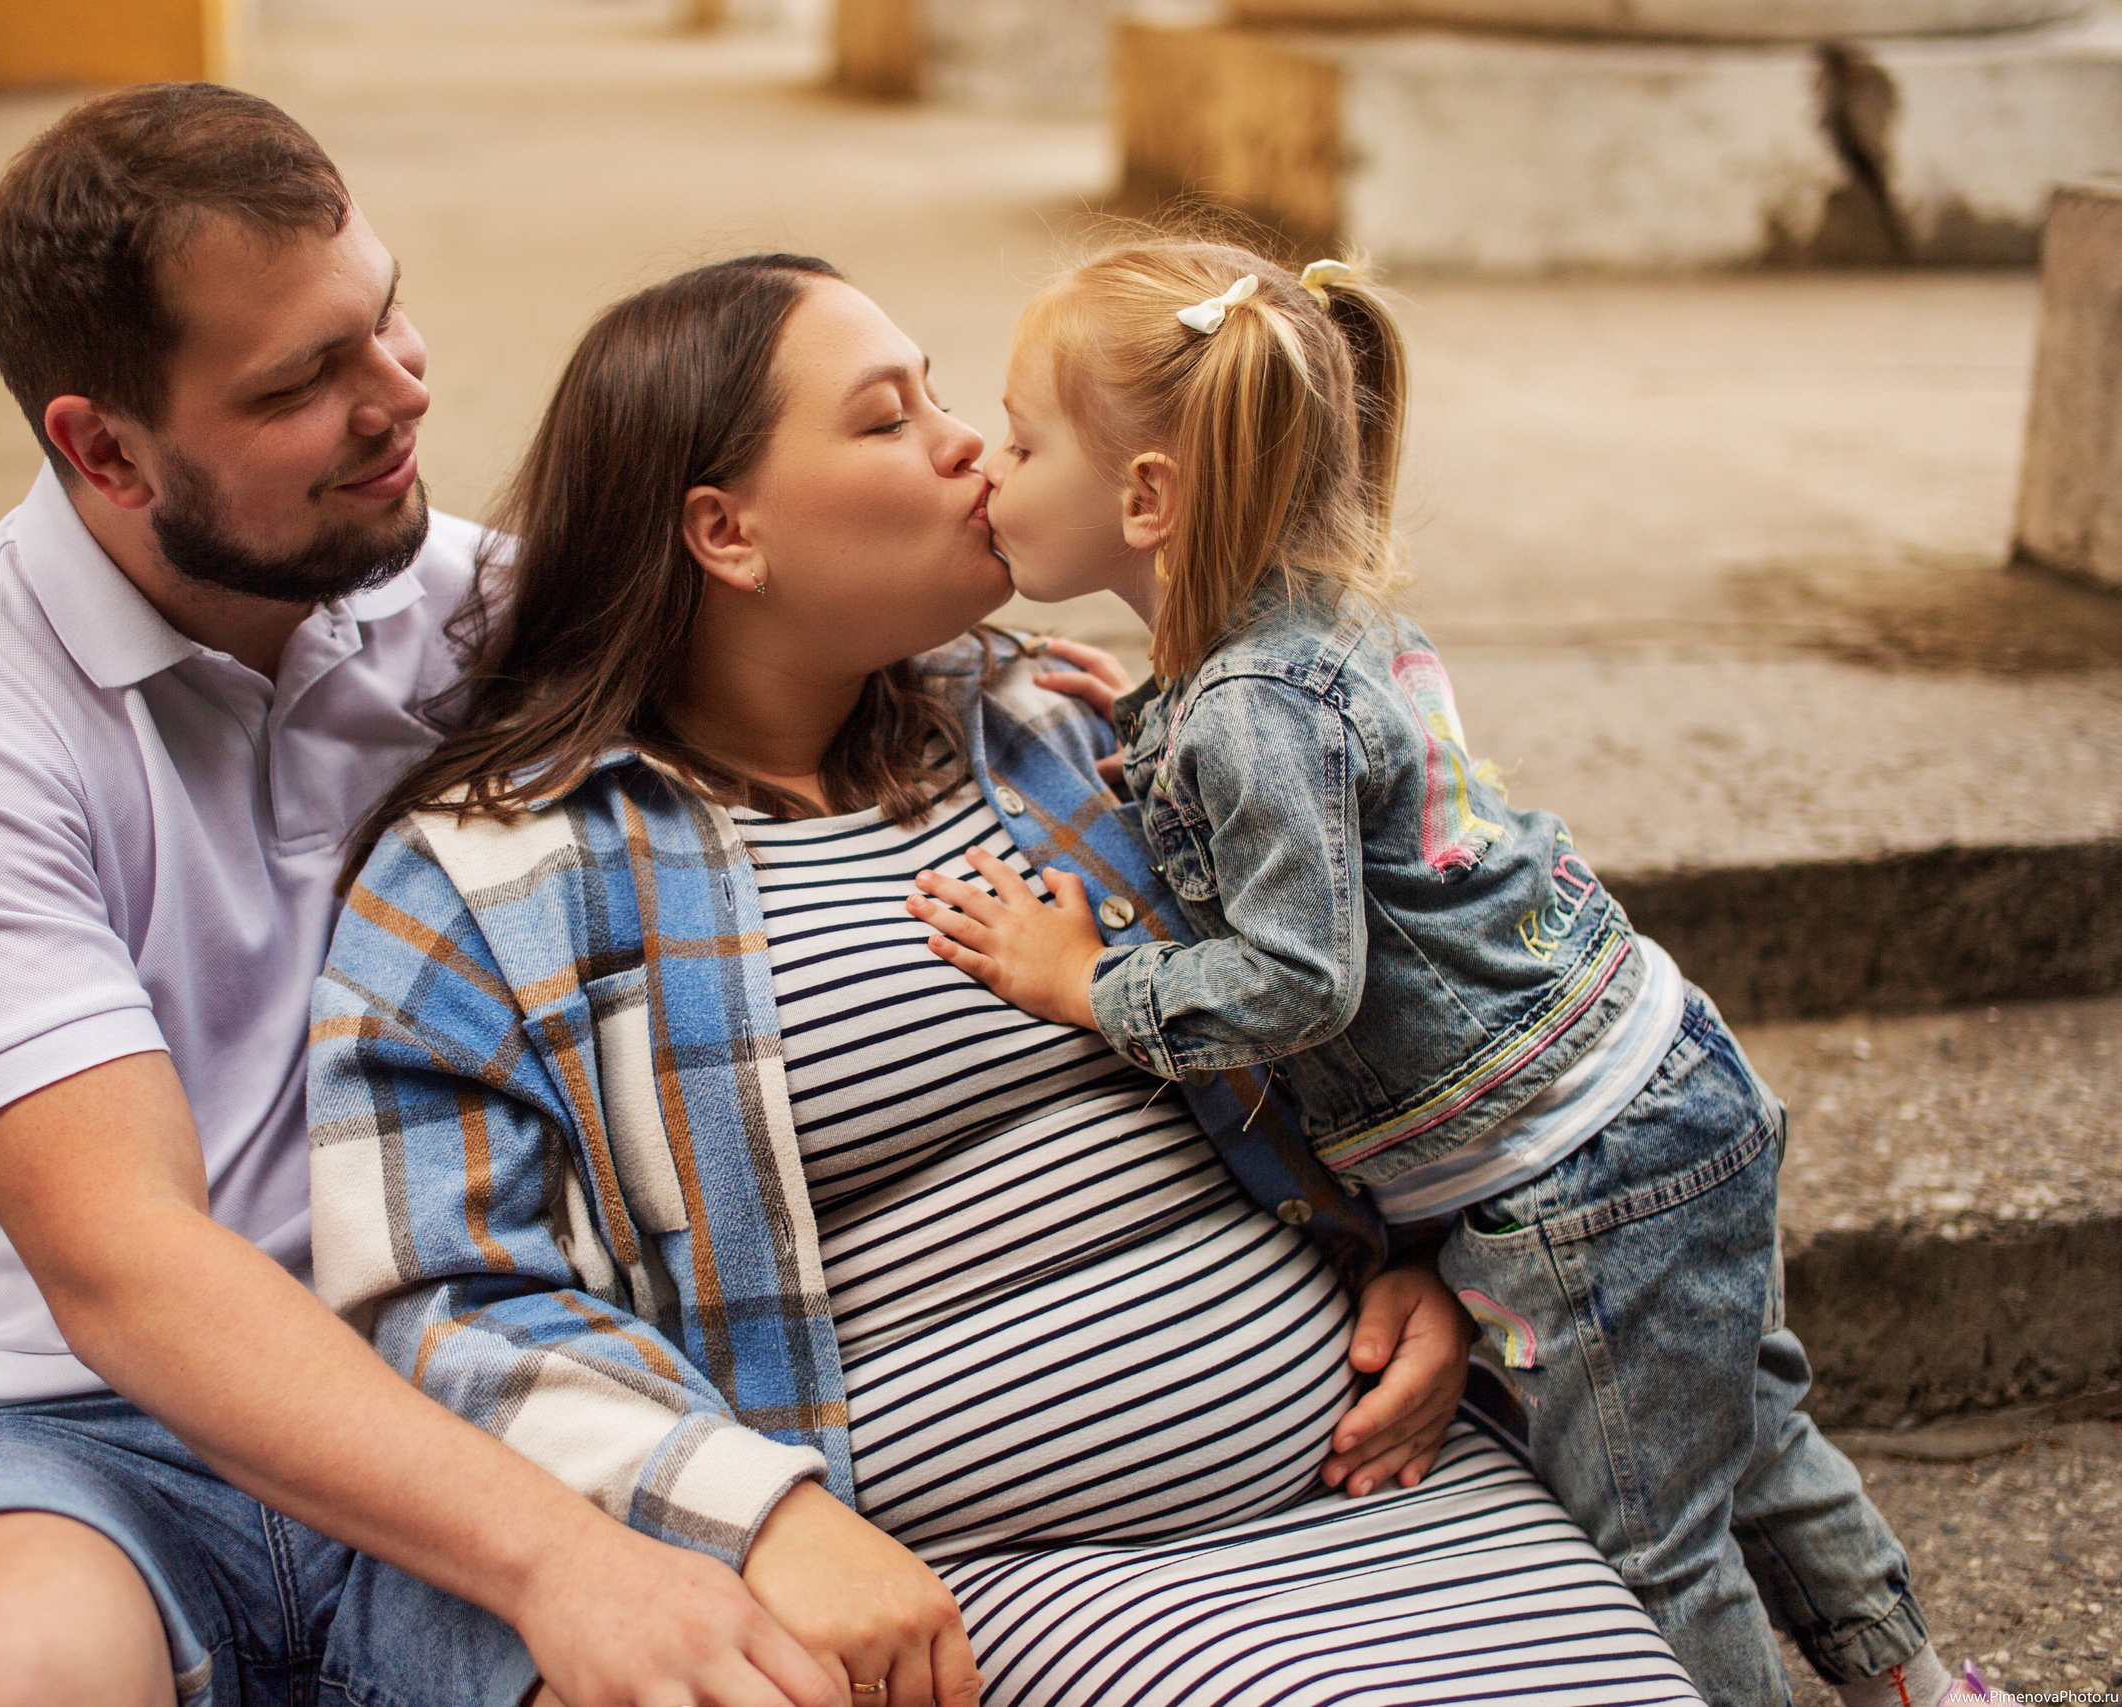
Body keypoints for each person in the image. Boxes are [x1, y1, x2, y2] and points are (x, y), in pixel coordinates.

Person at [309, 252, 1708, 1706]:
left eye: (946, 397)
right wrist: (760, 1514)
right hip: (1013, 1583)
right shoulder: (490, 879)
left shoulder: (1065, 725)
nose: (967, 442)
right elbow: (443, 1299)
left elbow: (1375, 997)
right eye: (887, 417)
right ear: (728, 533)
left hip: (1377, 1479)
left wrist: (1430, 1256)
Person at [0, 86, 848, 1707]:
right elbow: (126, 1264)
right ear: (102, 447)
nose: (400, 392)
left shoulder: (501, 622)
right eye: (302, 380)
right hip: (60, 1429)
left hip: (484, 1377)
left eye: (385, 315)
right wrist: (564, 1562)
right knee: (13, 1670)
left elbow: (852, 694)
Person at [899, 237, 1970, 1707]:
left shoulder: (1248, 710)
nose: (989, 468)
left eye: (1023, 444)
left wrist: (1089, 982)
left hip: (1579, 1167)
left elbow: (1297, 984)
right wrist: (1152, 707)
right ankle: (1917, 1687)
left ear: (1146, 500)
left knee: (1648, 1546)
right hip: (1660, 1084)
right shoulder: (1291, 634)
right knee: (1754, 1438)